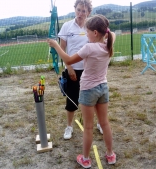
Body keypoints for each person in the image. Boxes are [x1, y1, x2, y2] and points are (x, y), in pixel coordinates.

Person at [47, 14, 116, 168]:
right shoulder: (108, 45)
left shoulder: (89, 47)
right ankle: (111, 155)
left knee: (89, 127)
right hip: (103, 88)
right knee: (105, 124)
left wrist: (56, 45)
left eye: (88, 32)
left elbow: (68, 60)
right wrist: (106, 32)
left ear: (96, 33)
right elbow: (112, 34)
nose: (86, 35)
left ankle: (85, 159)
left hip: (88, 90)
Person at [57, 0, 103, 140]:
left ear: (88, 13)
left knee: (94, 98)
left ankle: (100, 123)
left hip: (89, 71)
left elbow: (98, 45)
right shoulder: (67, 26)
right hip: (73, 70)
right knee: (72, 99)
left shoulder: (91, 27)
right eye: (78, 10)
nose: (80, 13)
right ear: (74, 9)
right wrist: (69, 67)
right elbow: (62, 49)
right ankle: (69, 126)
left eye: (84, 11)